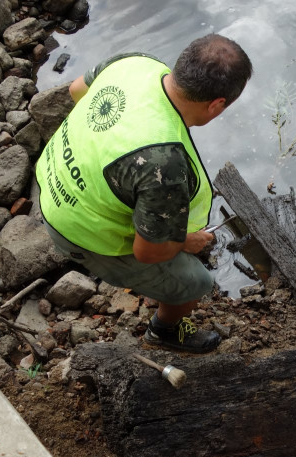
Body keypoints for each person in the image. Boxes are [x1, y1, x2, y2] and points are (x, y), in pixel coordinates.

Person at [36, 35, 252, 353]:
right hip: (73, 230)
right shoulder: (164, 163)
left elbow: (76, 90)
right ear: (217, 104)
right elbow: (148, 253)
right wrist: (185, 241)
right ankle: (163, 332)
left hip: (49, 176)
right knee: (196, 282)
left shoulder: (136, 64)